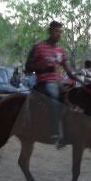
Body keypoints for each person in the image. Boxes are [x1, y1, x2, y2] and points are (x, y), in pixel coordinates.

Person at [25, 21, 78, 149]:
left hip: (58, 82)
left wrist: (75, 77)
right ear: (50, 31)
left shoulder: (60, 50)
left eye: (60, 32)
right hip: (44, 83)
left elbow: (67, 69)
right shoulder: (38, 47)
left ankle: (71, 132)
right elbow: (27, 68)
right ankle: (55, 134)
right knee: (54, 96)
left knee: (75, 97)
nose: (59, 35)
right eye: (56, 32)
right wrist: (44, 68)